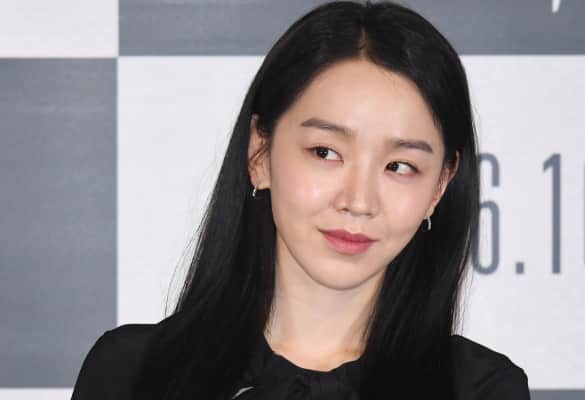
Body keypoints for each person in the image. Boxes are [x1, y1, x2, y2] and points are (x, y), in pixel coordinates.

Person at [71, 1, 530, 399]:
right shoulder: (130, 374)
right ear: (260, 154)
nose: (358, 201)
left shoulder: (481, 390)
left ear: (440, 187)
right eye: (325, 152)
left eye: (399, 166)